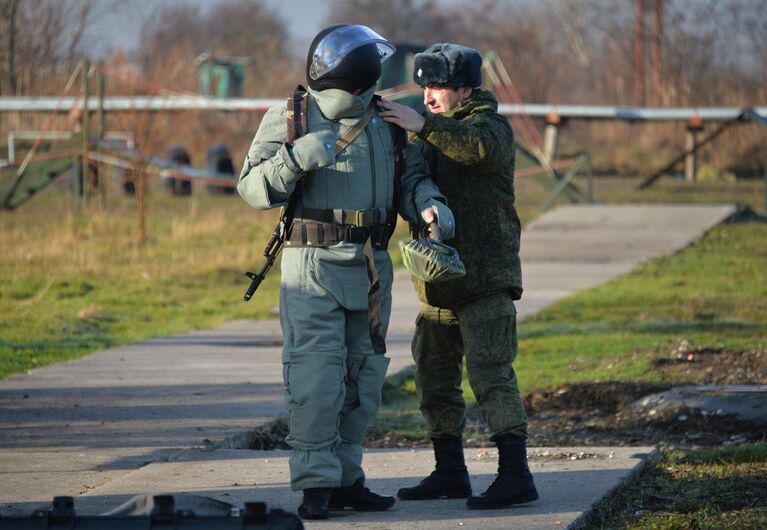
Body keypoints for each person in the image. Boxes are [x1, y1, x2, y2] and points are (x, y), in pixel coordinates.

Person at [237, 25, 455, 520]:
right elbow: (252, 189)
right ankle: (317, 484)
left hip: (373, 267)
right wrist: (294, 158)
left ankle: (347, 477)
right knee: (316, 377)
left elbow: (412, 179)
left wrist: (429, 206)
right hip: (310, 267)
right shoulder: (289, 117)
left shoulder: (387, 122)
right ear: (360, 76)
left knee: (365, 377)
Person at [377, 43, 539, 510]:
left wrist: (421, 125)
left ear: (466, 90)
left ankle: (516, 475)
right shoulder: (426, 134)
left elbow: (478, 150)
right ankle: (450, 470)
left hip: (484, 281)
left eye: (439, 88)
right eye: (424, 87)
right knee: (434, 380)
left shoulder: (491, 127)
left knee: (490, 376)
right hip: (438, 285)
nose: (428, 97)